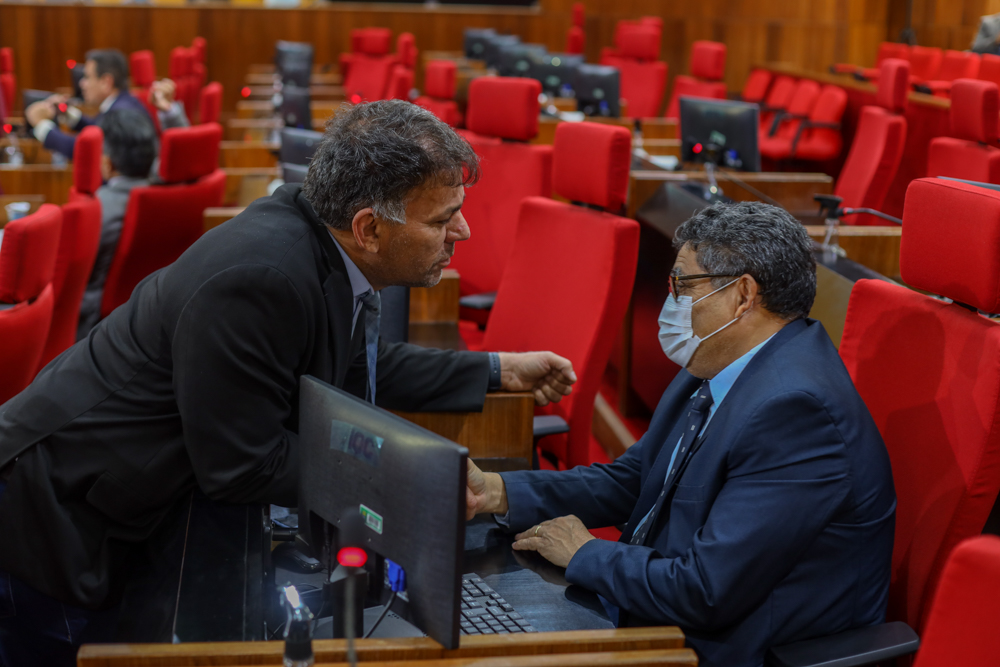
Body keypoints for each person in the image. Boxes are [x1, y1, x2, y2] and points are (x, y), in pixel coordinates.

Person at [0, 100, 577, 665]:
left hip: (121, 501)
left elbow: (353, 369)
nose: (464, 232)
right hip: (60, 516)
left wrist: (497, 368)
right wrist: (410, 488)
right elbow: (242, 465)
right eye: (441, 218)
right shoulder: (262, 278)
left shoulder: (321, 250)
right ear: (369, 228)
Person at [466, 202, 896, 667]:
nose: (670, 299)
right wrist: (496, 491)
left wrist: (587, 554)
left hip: (722, 648)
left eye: (682, 284)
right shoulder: (715, 362)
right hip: (656, 607)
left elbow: (707, 591)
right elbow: (633, 480)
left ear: (743, 295)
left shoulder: (797, 412)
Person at [76, 108, 159, 338]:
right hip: (155, 319)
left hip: (93, 332)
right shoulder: (170, 197)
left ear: (107, 164)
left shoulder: (97, 209)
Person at [24, 49, 186, 160]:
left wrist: (41, 125)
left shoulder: (121, 114)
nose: (82, 83)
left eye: (87, 77)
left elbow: (84, 150)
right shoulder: (123, 102)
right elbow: (98, 128)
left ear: (106, 82)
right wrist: (68, 114)